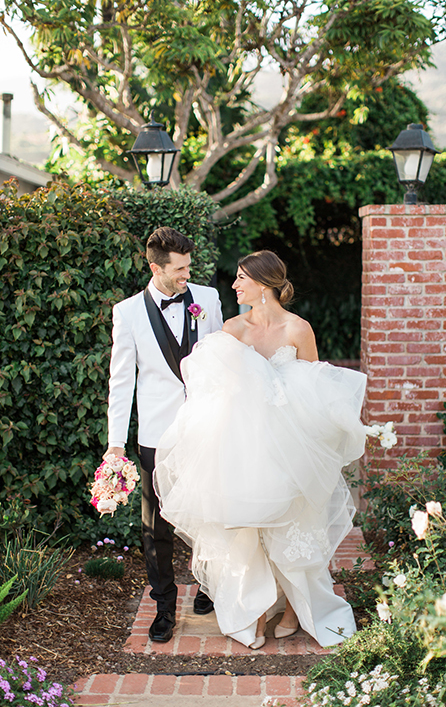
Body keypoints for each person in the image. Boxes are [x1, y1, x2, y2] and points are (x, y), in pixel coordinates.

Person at [154, 250, 366, 649]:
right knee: (249, 530)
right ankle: (252, 609)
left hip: (293, 442)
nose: (234, 285)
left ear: (264, 284)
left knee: (295, 525)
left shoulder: (298, 329)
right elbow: (208, 380)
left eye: (240, 278)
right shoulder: (234, 329)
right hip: (248, 445)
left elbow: (317, 388)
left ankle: (292, 610)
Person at [103, 226, 223, 643]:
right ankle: (165, 605)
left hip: (204, 426)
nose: (187, 274)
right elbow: (122, 383)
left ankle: (209, 584)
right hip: (156, 433)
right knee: (156, 525)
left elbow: (221, 361)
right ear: (155, 267)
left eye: (189, 266)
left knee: (210, 512)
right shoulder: (128, 312)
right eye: (179, 269)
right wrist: (115, 444)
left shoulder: (207, 300)